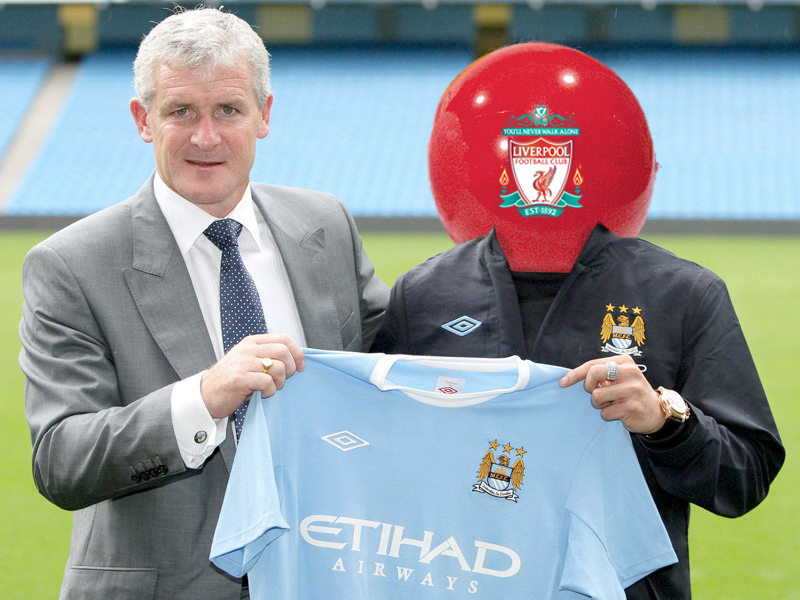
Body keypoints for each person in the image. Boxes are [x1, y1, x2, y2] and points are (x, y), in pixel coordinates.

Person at [372, 42, 784, 599]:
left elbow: (746, 477)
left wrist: (665, 420)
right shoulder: (423, 294)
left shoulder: (684, 294)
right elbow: (377, 464)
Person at [19, 7, 387, 599]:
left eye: (229, 110)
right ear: (143, 119)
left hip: (316, 580)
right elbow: (62, 461)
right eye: (181, 111)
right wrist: (202, 399)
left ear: (264, 114)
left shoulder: (325, 224)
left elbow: (406, 361)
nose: (206, 137)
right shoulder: (71, 264)